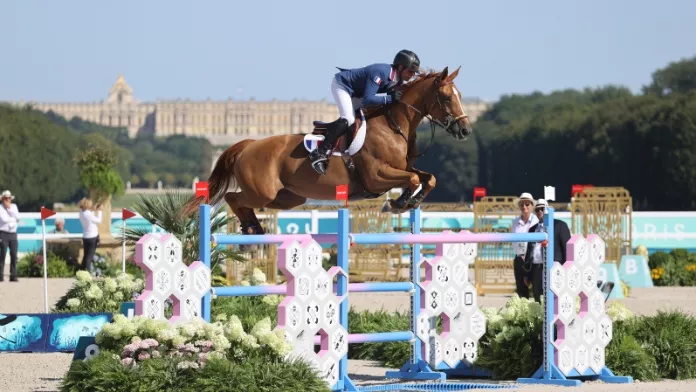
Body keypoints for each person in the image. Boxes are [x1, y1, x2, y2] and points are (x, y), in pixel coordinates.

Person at [309, 49, 422, 175]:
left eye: (414, 73)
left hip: (358, 94)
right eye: (410, 71)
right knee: (349, 119)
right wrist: (390, 98)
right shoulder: (381, 72)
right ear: (400, 67)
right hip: (343, 86)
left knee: (363, 121)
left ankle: (345, 151)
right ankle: (319, 153)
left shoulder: (398, 80)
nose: (411, 75)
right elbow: (369, 100)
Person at [524, 198, 572, 302]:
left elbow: (568, 249)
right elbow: (529, 252)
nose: (540, 211)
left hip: (553, 267)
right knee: (538, 297)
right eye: (537, 209)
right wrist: (527, 274)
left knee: (553, 298)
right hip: (536, 269)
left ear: (548, 210)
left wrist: (566, 270)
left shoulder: (560, 225)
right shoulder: (532, 229)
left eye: (542, 208)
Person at [511, 192, 538, 299]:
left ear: (532, 206)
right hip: (519, 258)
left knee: (537, 289)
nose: (524, 207)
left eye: (527, 204)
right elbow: (514, 240)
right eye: (522, 204)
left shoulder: (536, 221)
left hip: (533, 259)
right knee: (521, 291)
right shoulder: (515, 222)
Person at [0, 190, 21, 282]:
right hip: (3, 233)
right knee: (2, 254)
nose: (7, 200)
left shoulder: (14, 207)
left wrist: (9, 209)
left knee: (14, 254)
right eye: (6, 198)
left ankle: (13, 275)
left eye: (8, 198)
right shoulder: (0, 208)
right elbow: (4, 219)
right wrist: (12, 218)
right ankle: (0, 275)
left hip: (13, 234)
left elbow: (17, 217)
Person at [78, 198, 102, 271]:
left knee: (85, 255)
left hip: (86, 236)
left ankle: (82, 271)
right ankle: (87, 272)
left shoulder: (81, 212)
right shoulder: (88, 213)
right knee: (89, 257)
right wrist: (100, 211)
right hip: (92, 236)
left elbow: (90, 217)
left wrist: (94, 211)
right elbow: (98, 220)